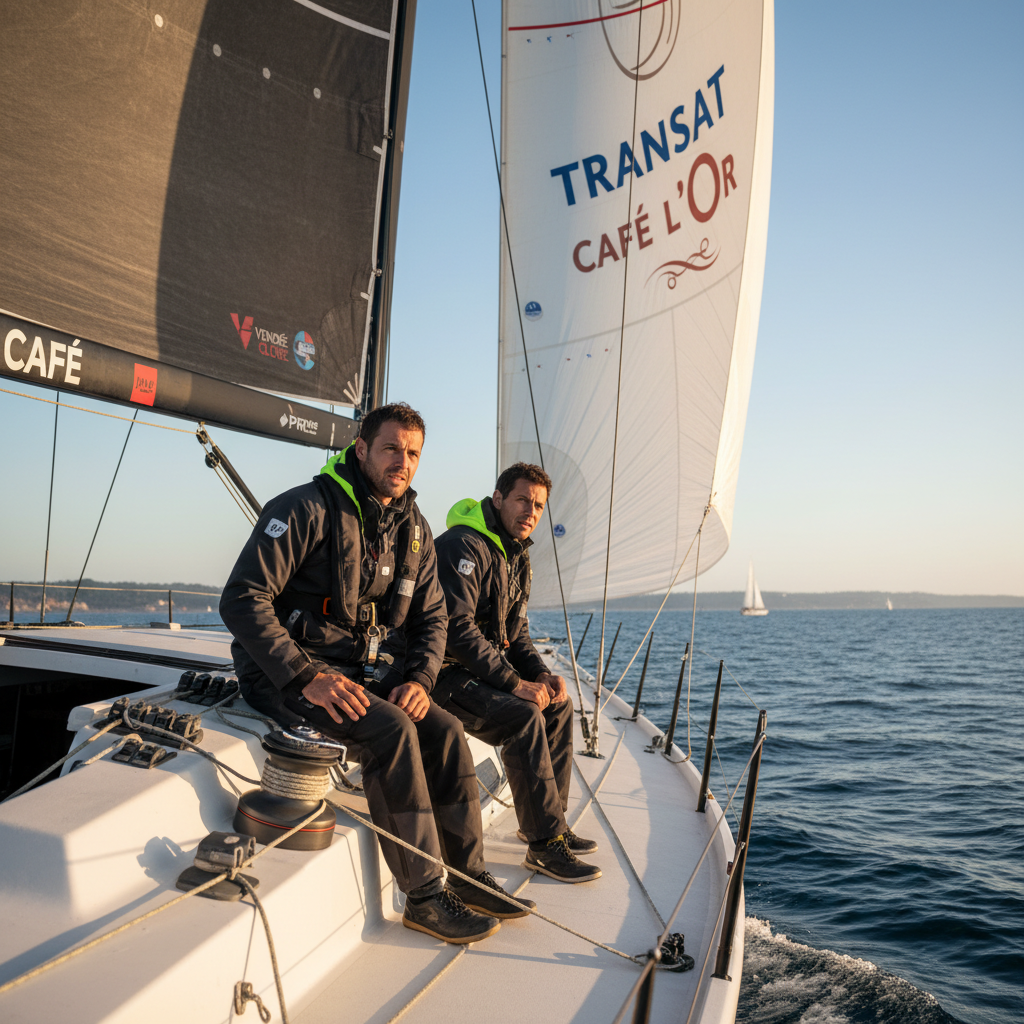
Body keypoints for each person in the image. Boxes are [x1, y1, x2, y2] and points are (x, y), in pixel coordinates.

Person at [220, 403, 534, 943]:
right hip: (284, 672)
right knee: (390, 731)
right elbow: (243, 598)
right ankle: (426, 897)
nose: (402, 461)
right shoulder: (304, 508)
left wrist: (420, 680)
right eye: (391, 448)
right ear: (362, 449)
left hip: (361, 668)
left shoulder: (414, 529)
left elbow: (434, 618)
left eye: (412, 453)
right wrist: (303, 675)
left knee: (444, 728)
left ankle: (467, 872)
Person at [433, 463, 601, 883]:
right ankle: (544, 848)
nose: (531, 511)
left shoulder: (516, 554)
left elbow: (516, 633)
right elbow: (456, 631)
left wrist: (541, 676)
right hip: (439, 670)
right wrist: (514, 684)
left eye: (539, 505)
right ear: (498, 499)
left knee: (557, 707)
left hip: (476, 668)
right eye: (523, 500)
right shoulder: (463, 546)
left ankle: (552, 826)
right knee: (522, 716)